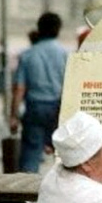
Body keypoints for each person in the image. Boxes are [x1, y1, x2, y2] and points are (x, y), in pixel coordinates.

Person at [9, 12, 69, 173]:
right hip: (58, 109)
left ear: (39, 28)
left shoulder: (28, 55)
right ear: (58, 29)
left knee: (31, 154)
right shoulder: (65, 55)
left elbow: (19, 88)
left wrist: (13, 116)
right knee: (64, 156)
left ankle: (28, 186)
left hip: (34, 108)